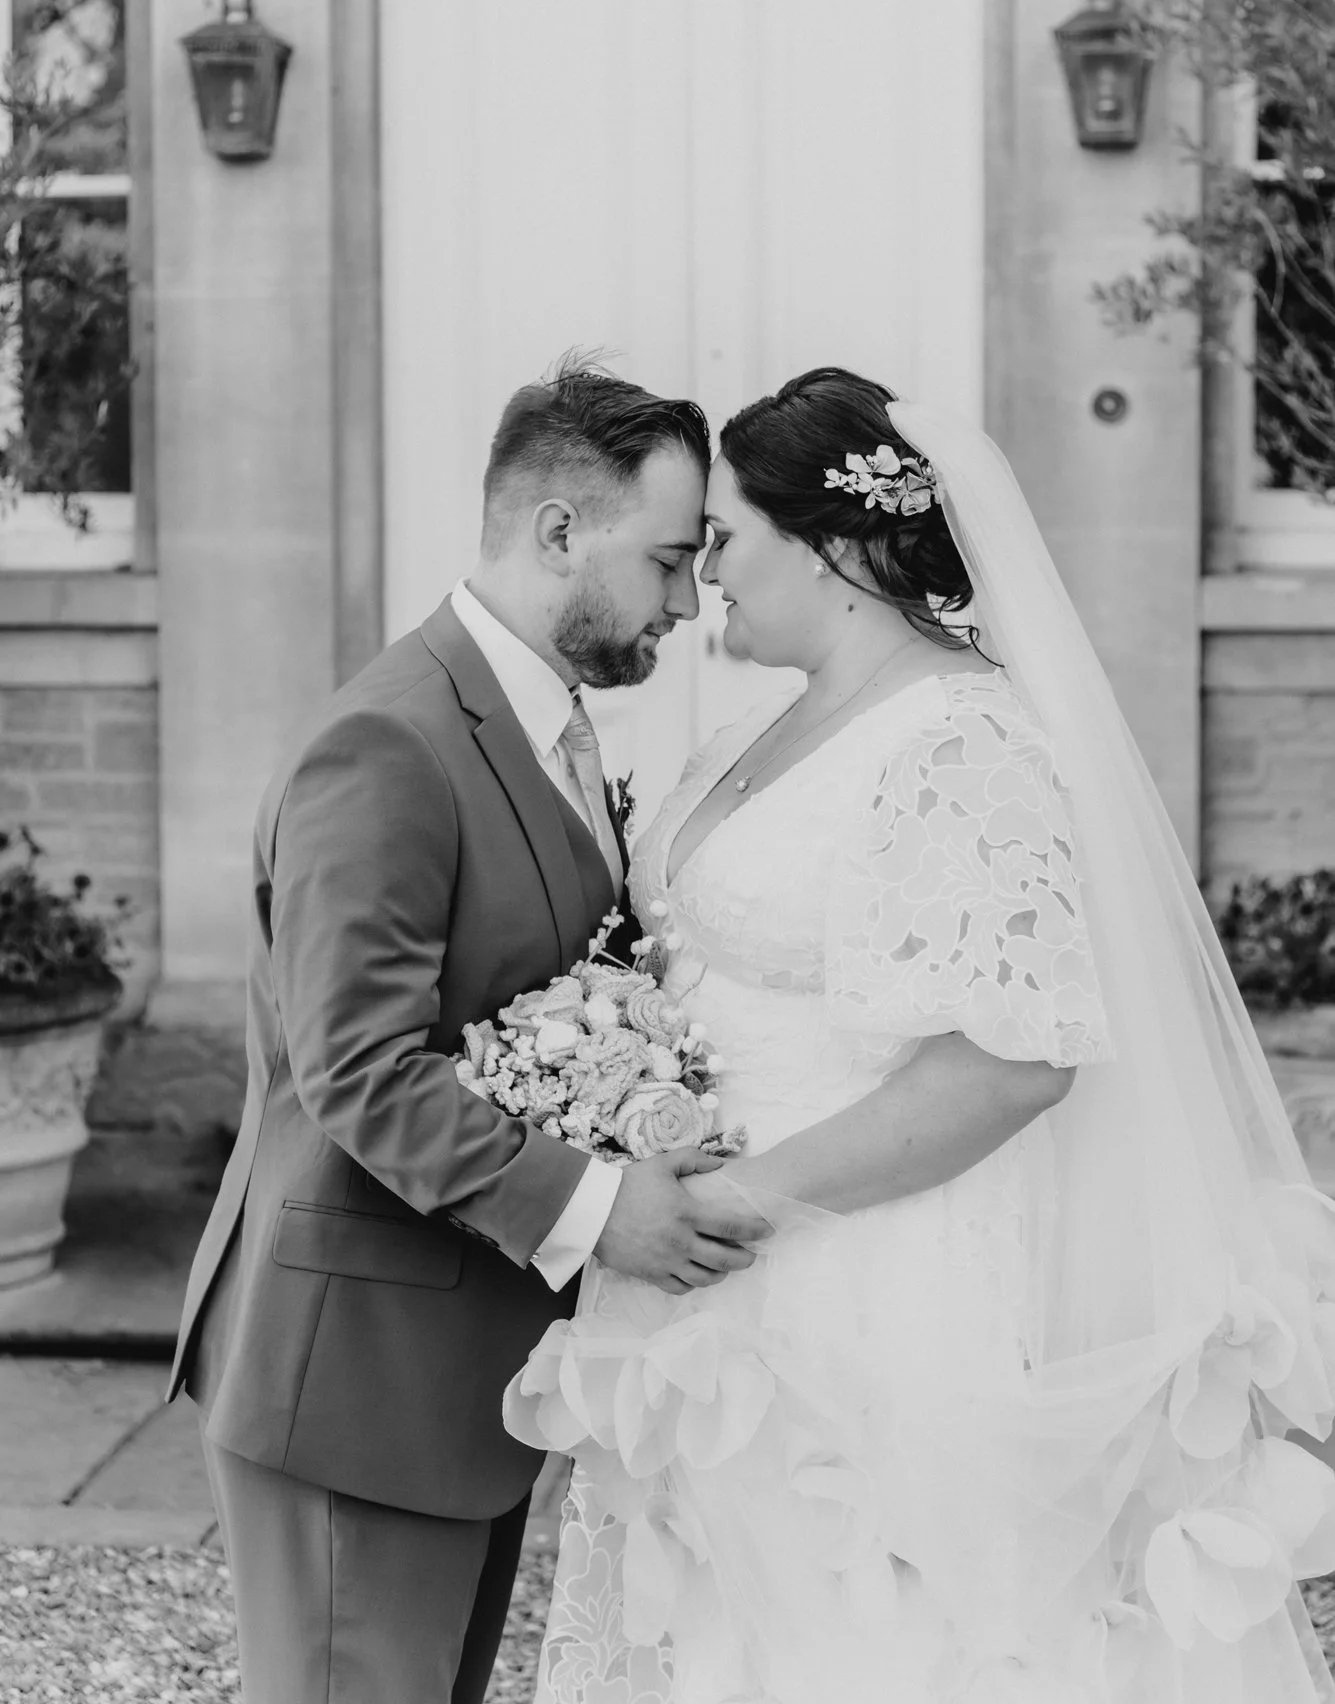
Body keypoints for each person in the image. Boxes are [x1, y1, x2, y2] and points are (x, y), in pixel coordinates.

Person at [507, 366, 1335, 1703]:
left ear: (831, 544)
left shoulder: (963, 745)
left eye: (726, 534)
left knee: (861, 1639)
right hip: (699, 1273)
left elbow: (1013, 1064)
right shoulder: (749, 737)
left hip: (864, 1285)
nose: (704, 570)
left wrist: (732, 1200)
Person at [166, 356, 773, 1704]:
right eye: (669, 560)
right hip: (352, 1377)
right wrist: (599, 1211)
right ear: (560, 530)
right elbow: (360, 1072)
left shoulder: (533, 721)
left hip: (452, 1372)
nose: (687, 601)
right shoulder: (385, 745)